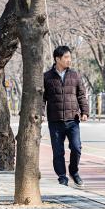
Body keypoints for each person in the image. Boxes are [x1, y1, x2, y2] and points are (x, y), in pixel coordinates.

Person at [43, 45, 89, 187]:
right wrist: (40, 114)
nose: (69, 60)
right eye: (66, 57)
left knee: (76, 148)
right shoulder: (47, 77)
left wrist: (85, 111)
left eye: (70, 57)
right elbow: (42, 98)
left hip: (72, 119)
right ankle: (62, 177)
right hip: (55, 120)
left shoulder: (74, 75)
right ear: (58, 59)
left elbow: (81, 94)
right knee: (58, 151)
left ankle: (74, 172)